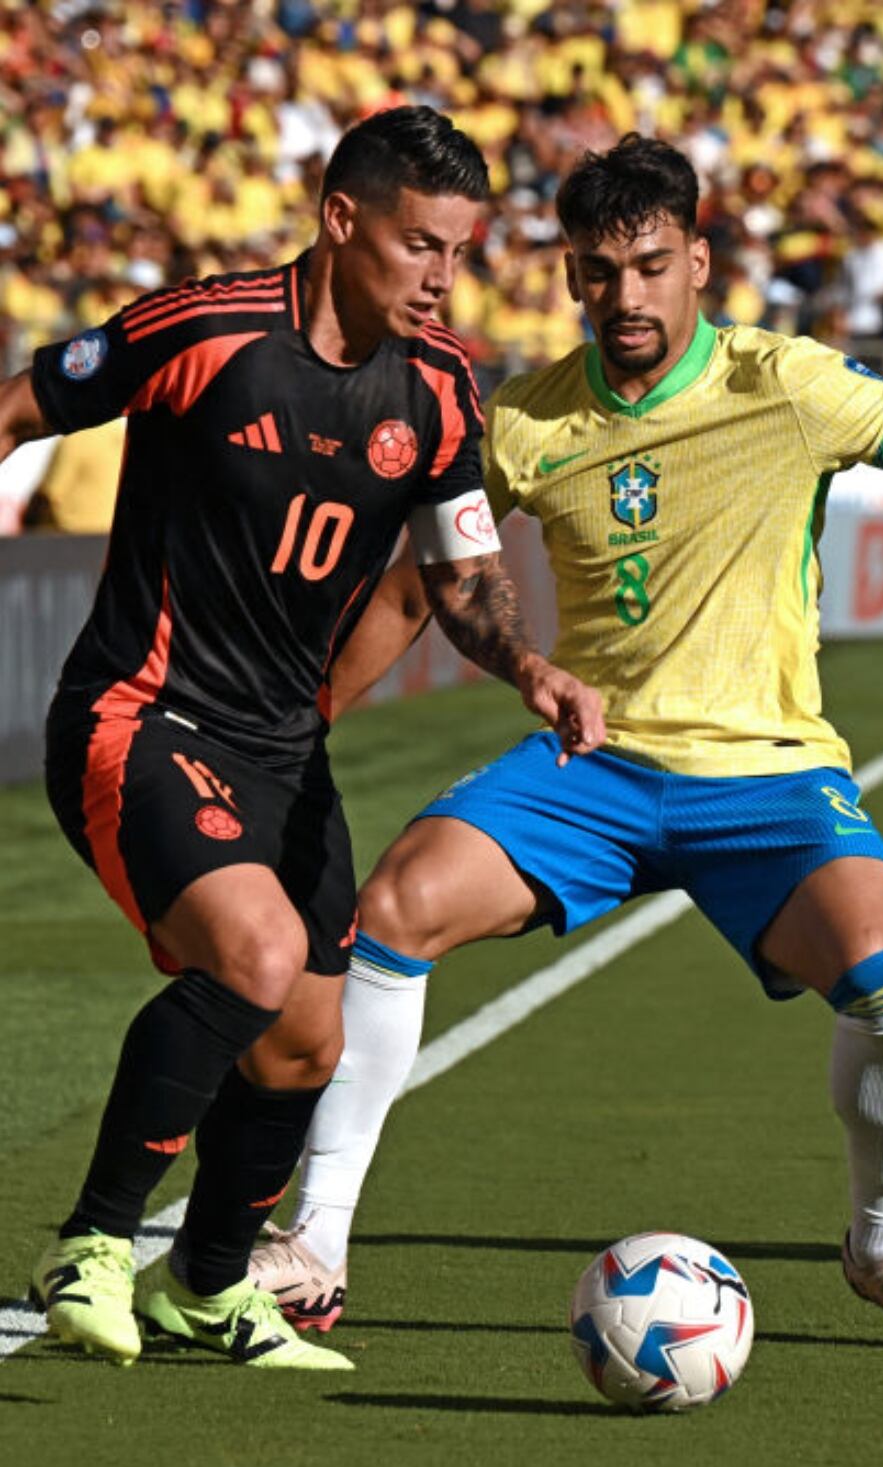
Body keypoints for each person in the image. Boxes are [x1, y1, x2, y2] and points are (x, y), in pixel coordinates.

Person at [251, 135, 883, 1354]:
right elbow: (416, 588)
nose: (627, 297)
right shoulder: (530, 420)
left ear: (698, 261)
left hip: (768, 772)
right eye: (599, 273)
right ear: (569, 280)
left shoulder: (786, 383)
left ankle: (881, 1245)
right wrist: (304, 725)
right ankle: (317, 1241)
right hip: (591, 767)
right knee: (393, 905)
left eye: (651, 265)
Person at [12, 105, 603, 1370]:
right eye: (419, 245)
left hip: (284, 752)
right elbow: (18, 408)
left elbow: (459, 578)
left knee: (305, 1044)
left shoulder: (440, 389)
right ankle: (95, 1243)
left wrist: (527, 665)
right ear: (341, 222)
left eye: (460, 251)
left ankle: (207, 1282)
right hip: (142, 713)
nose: (442, 278)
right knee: (259, 954)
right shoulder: (203, 331)